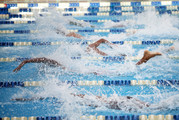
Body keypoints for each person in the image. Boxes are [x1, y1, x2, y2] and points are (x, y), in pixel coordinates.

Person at [13, 39, 172, 73]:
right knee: (119, 71)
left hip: (86, 71)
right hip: (87, 69)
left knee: (119, 72)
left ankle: (144, 59)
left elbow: (44, 59)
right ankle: (143, 59)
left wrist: (25, 62)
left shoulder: (62, 64)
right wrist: (25, 62)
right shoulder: (65, 60)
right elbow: (44, 60)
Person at [11, 93, 150, 111]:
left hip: (117, 102)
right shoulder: (89, 98)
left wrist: (26, 99)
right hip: (122, 99)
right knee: (150, 108)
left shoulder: (86, 99)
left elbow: (44, 97)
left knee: (149, 109)